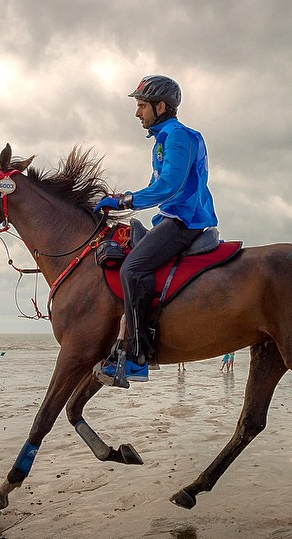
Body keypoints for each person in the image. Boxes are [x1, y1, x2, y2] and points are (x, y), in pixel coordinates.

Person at [94, 75, 219, 385]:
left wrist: (125, 198)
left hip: (185, 220)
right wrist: (120, 206)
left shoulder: (179, 136)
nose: (137, 113)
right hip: (168, 218)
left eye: (141, 105)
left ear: (160, 106)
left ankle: (136, 357)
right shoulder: (163, 139)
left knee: (133, 270)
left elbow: (169, 186)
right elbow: (155, 186)